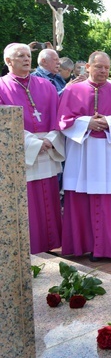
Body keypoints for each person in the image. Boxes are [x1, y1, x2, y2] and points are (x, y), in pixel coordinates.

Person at [58, 51, 111, 261]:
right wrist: (87, 123)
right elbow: (63, 120)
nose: (103, 71)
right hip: (82, 152)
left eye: (106, 68)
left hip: (108, 154)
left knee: (110, 197)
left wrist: (109, 122)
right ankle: (83, 245)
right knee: (80, 196)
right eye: (99, 67)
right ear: (88, 67)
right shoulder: (72, 91)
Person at [0, 43, 64, 253]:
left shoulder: (46, 85)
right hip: (22, 151)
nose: (27, 59)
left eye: (28, 55)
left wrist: (52, 138)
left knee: (50, 194)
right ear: (8, 61)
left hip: (48, 145)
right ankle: (32, 245)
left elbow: (58, 115)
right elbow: (4, 123)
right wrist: (35, 143)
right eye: (21, 56)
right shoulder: (1, 87)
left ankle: (52, 243)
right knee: (29, 201)